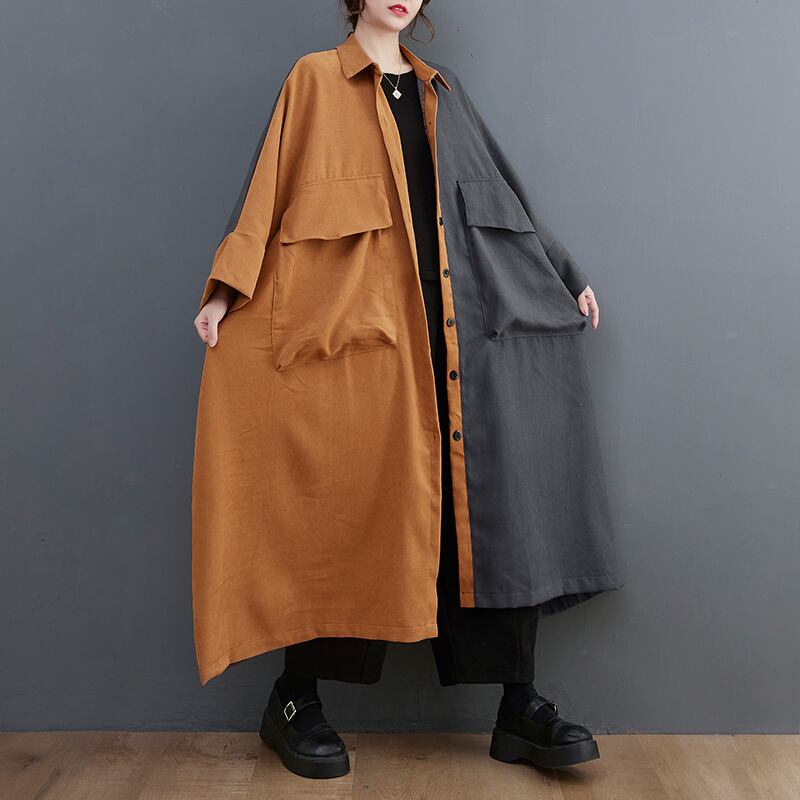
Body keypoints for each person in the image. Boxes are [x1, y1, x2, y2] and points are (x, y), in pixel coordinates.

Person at [192, 0, 622, 780]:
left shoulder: (443, 92)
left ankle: (518, 706)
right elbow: (266, 194)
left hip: (465, 336)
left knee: (485, 510)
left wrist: (562, 274)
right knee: (350, 508)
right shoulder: (312, 81)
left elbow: (504, 203)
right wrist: (225, 291)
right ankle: (295, 699)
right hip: (368, 344)